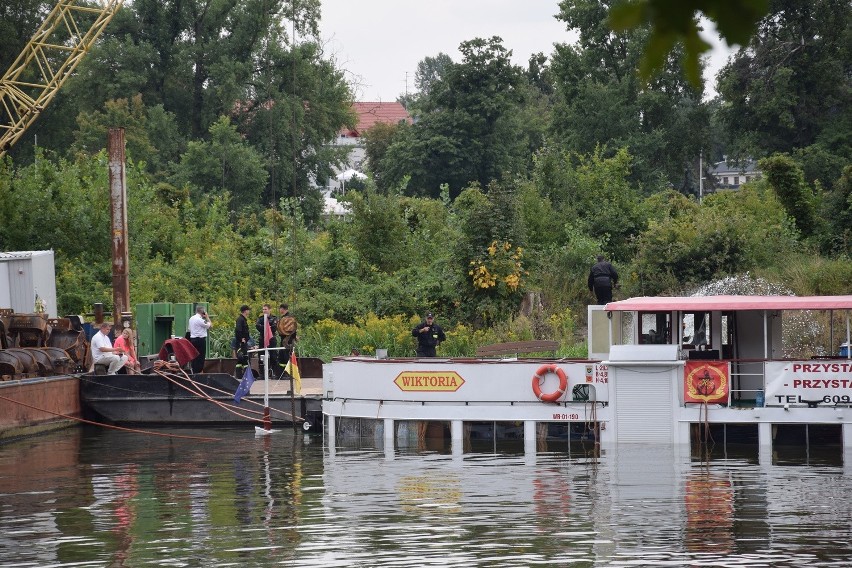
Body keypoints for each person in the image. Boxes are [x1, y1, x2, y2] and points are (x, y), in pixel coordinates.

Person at [187, 305, 212, 373]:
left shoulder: (191, 318)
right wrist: (207, 317)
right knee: (200, 357)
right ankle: (198, 371)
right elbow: (210, 326)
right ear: (203, 312)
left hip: (193, 339)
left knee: (194, 357)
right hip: (200, 340)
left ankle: (194, 371)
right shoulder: (200, 320)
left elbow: (189, 329)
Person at [255, 303, 278, 373]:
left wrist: (265, 327)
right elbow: (258, 327)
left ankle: (274, 372)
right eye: (263, 309)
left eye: (266, 309)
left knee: (273, 355)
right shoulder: (260, 318)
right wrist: (267, 327)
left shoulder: (274, 318)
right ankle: (262, 373)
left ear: (270, 310)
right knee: (261, 356)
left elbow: (274, 328)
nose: (264, 311)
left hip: (271, 339)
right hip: (262, 339)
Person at [277, 303, 298, 373]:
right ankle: (282, 373)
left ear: (282, 309)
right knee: (282, 357)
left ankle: (288, 374)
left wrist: (293, 337)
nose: (279, 310)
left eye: (280, 309)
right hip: (285, 339)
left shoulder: (288, 318)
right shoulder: (286, 317)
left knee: (286, 357)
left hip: (287, 340)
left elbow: (291, 330)